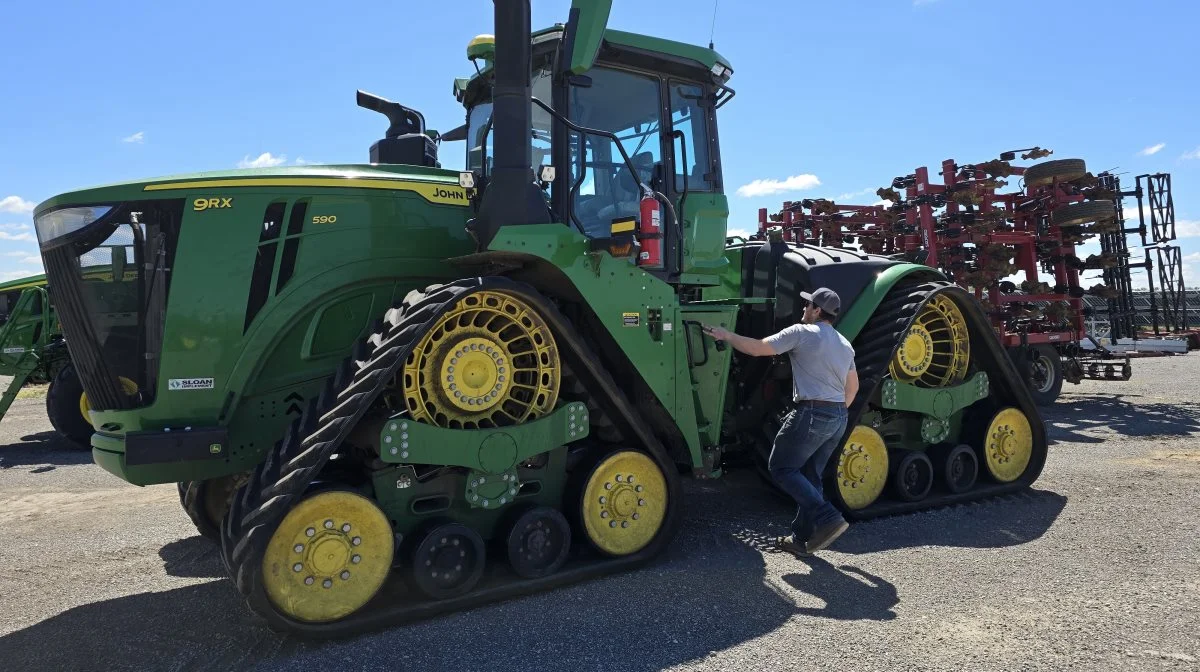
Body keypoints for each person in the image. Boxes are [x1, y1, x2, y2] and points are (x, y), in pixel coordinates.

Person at [703, 287, 859, 556]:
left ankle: (828, 517)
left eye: (807, 304)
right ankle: (800, 539)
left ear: (817, 310)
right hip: (838, 417)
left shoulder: (801, 332)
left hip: (811, 412)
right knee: (811, 476)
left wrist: (726, 334)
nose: (803, 309)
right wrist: (832, 413)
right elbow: (852, 389)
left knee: (781, 468)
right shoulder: (845, 345)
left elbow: (758, 348)